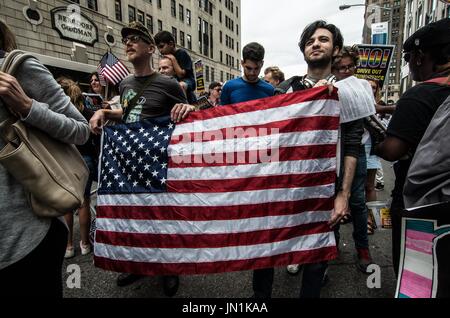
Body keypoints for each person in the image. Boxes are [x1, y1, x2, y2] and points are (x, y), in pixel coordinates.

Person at [89, 21, 195, 297]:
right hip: (129, 164)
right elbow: (127, 114)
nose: (128, 42)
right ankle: (136, 264)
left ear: (150, 48)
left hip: (159, 164)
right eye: (127, 39)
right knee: (134, 216)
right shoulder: (124, 84)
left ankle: (168, 268)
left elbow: (192, 114)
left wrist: (187, 106)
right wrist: (106, 114)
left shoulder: (168, 83)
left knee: (161, 217)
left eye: (136, 38)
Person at [0, 19, 90, 297]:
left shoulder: (17, 69)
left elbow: (80, 130)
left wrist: (27, 107)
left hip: (25, 239)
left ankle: (81, 243)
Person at [277, 20, 363, 297]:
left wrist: (344, 194)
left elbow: (352, 146)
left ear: (335, 49)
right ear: (303, 50)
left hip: (328, 189)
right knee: (280, 249)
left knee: (316, 266)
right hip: (289, 188)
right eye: (311, 40)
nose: (316, 44)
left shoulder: (348, 92)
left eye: (324, 39)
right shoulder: (286, 90)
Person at [375, 18, 450, 277]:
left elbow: (391, 150)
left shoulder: (420, 95)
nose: (409, 63)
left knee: (418, 275)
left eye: (408, 57)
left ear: (420, 57)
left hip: (423, 205)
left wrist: (375, 137)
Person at [219, 42, 276, 298]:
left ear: (262, 65)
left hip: (263, 160)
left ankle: (261, 291)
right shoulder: (230, 88)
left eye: (256, 69)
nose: (252, 73)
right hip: (238, 160)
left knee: (264, 220)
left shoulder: (269, 89)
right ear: (242, 63)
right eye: (248, 68)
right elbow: (220, 121)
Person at [330, 46, 376, 265]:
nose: (345, 71)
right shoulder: (330, 87)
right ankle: (333, 247)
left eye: (349, 66)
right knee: (333, 200)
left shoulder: (363, 85)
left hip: (357, 148)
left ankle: (363, 249)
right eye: (340, 68)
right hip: (334, 149)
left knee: (357, 201)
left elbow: (369, 114)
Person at [57, 78, 97, 259]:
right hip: (86, 160)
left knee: (66, 203)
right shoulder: (88, 113)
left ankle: (68, 246)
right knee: (84, 202)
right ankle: (85, 243)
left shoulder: (57, 113)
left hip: (65, 159)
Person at [154, 30, 197, 104]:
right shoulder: (166, 58)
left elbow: (181, 74)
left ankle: (185, 105)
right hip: (174, 82)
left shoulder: (181, 53)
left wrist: (173, 59)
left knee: (181, 85)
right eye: (158, 48)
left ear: (171, 44)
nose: (160, 50)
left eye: (161, 46)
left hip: (188, 81)